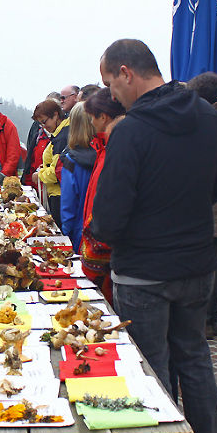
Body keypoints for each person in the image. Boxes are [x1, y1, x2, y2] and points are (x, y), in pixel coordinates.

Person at [90, 39, 217, 433]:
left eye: (112, 83)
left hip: (145, 271)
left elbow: (109, 217)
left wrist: (97, 232)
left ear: (127, 72)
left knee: (151, 372)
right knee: (193, 358)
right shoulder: (210, 118)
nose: (113, 95)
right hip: (196, 264)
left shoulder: (132, 131)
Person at [187, 71, 217, 339]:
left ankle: (209, 319)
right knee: (211, 259)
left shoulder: (209, 119)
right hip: (211, 198)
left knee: (210, 262)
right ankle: (208, 319)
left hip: (209, 202)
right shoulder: (215, 118)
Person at [78, 87, 125, 304]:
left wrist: (94, 253)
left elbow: (106, 204)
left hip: (106, 252)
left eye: (92, 118)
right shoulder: (103, 147)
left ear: (103, 117)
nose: (90, 123)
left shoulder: (114, 151)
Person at [59, 102, 96, 251]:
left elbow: (68, 206)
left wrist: (65, 236)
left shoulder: (71, 160)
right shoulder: (106, 155)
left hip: (79, 234)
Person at [21, 91, 61, 186]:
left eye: (44, 121)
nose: (43, 126)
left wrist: (40, 175)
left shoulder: (62, 137)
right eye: (41, 123)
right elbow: (30, 158)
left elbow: (57, 170)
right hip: (39, 186)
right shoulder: (38, 132)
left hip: (54, 190)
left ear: (56, 115)